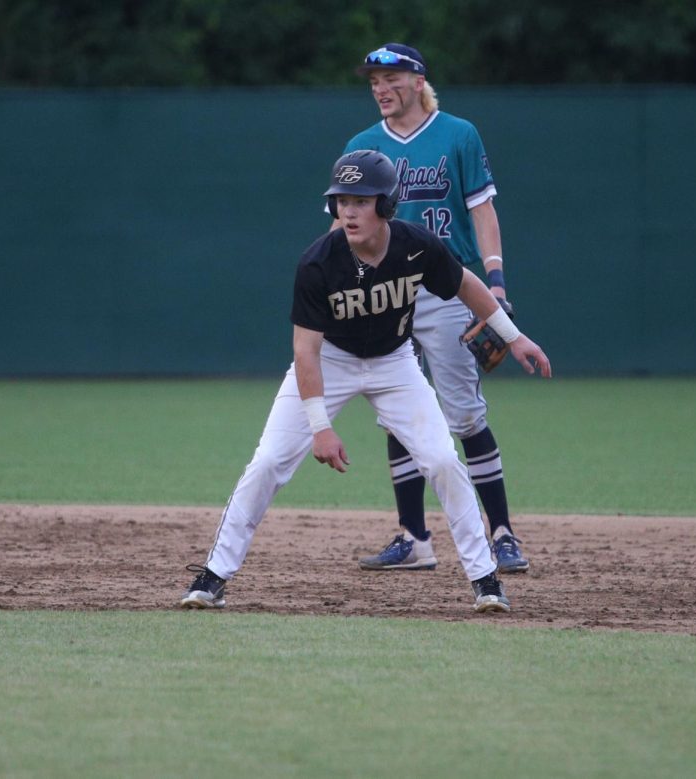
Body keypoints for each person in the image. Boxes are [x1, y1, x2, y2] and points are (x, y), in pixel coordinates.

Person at [180, 150, 551, 614]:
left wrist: (513, 338)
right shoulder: (318, 263)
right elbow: (305, 352)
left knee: (440, 458)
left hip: (395, 363)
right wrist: (320, 426)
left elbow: (466, 285)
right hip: (330, 361)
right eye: (342, 201)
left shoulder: (415, 245)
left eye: (361, 200)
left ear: (387, 204)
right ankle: (213, 575)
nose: (349, 211)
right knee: (269, 460)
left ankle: (485, 579)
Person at [338, 43, 531, 575]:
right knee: (398, 414)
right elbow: (344, 225)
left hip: (449, 287)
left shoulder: (457, 134)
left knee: (464, 413)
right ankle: (414, 538)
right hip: (388, 292)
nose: (380, 87)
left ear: (419, 80)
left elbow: (482, 210)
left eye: (391, 77)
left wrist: (494, 282)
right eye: (373, 79)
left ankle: (503, 534)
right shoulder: (363, 145)